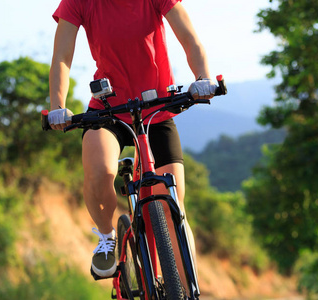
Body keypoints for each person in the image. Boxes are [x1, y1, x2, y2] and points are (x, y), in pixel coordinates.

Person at [48, 0, 217, 279]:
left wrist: (203, 77)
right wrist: (57, 106)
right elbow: (62, 56)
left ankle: (188, 290)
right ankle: (106, 237)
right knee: (101, 172)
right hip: (108, 111)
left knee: (173, 205)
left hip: (158, 110)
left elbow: (189, 37)